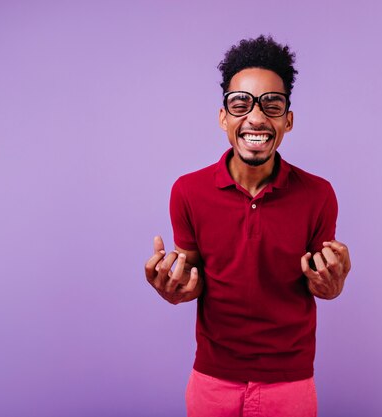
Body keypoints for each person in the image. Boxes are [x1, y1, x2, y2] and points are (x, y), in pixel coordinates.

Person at [145, 35, 351, 417]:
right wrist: (173, 289)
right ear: (223, 117)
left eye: (271, 105)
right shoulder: (187, 191)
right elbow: (192, 277)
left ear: (287, 120)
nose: (255, 118)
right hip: (212, 380)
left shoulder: (319, 194)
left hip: (290, 384)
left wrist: (332, 286)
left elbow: (319, 281)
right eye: (241, 104)